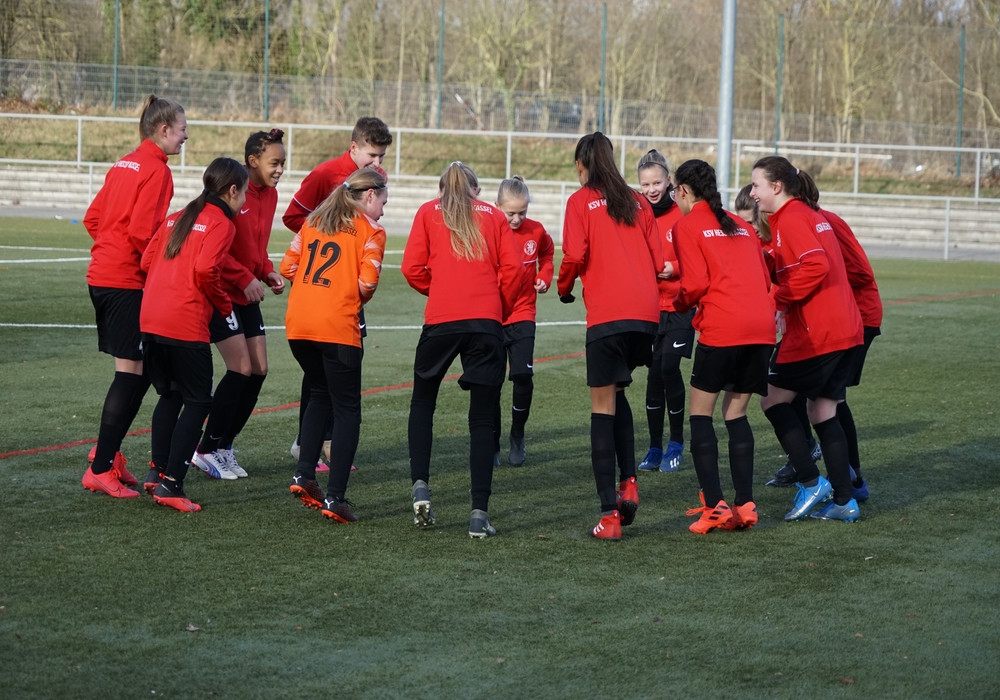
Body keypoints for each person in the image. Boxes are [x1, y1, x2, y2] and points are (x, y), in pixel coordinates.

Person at [401, 162, 524, 538]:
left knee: (423, 402)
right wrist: (498, 307)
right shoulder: (493, 216)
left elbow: (411, 267)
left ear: (442, 189)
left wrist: (438, 290)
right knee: (482, 419)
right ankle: (478, 515)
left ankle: (420, 487)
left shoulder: (427, 212)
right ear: (476, 190)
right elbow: (515, 270)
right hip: (485, 322)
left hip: (441, 321)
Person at [556, 133, 662, 541]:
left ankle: (609, 516)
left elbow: (574, 255)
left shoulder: (580, 201)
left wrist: (564, 287)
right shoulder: (637, 200)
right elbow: (658, 260)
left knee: (601, 409)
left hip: (609, 314)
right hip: (646, 315)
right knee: (617, 391)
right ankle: (629, 482)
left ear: (581, 165)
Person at [81, 94, 188, 500]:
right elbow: (144, 234)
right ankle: (99, 468)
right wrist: (162, 268)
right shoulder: (157, 171)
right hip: (124, 281)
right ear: (164, 129)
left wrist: (111, 250)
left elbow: (93, 218)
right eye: (182, 129)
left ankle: (108, 454)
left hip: (103, 275)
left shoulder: (124, 162)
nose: (185, 137)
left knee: (140, 372)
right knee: (130, 373)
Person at [750, 155, 864, 522]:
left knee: (771, 399)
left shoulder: (793, 217)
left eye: (757, 185)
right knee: (822, 410)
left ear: (777, 186)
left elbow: (816, 265)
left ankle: (810, 481)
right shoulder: (806, 215)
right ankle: (844, 501)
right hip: (844, 328)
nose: (753, 193)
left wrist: (779, 298)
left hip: (821, 332)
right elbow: (797, 262)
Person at [670, 160, 775, 533]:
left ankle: (714, 505)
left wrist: (676, 302)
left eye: (675, 191)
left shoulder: (687, 225)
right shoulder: (741, 225)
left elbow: (695, 284)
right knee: (737, 415)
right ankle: (745, 504)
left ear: (684, 190)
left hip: (724, 327)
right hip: (761, 329)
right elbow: (765, 280)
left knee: (700, 415)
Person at [763, 171, 882, 501]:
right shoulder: (797, 221)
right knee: (819, 400)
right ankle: (840, 481)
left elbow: (857, 272)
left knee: (824, 400)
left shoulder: (818, 221)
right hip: (832, 320)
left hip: (850, 318)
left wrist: (832, 299)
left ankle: (841, 476)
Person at [283, 116, 393, 471]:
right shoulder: (325, 174)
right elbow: (294, 217)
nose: (378, 164)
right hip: (333, 295)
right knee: (329, 384)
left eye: (382, 157)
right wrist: (333, 244)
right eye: (372, 156)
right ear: (354, 147)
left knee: (327, 380)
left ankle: (318, 449)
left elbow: (289, 264)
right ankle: (316, 448)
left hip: (325, 300)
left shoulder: (373, 181)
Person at [139, 157, 249, 512]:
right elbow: (205, 269)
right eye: (244, 193)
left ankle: (157, 472)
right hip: (184, 321)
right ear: (232, 190)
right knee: (199, 401)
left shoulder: (178, 216)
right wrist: (224, 305)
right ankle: (172, 483)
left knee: (170, 395)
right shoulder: (221, 223)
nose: (244, 200)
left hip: (151, 318)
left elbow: (146, 262)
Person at [191, 129, 287, 480]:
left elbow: (255, 248)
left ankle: (224, 445)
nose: (280, 170)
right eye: (274, 163)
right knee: (241, 369)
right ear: (253, 161)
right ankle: (205, 448)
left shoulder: (271, 195)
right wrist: (244, 277)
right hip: (222, 292)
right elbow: (216, 249)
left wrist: (266, 271)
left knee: (259, 369)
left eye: (283, 163)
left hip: (246, 292)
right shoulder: (231, 193)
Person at [633, 149, 692, 474]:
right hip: (650, 308)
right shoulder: (637, 215)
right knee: (654, 373)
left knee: (669, 367)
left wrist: (674, 268)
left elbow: (697, 257)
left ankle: (677, 442)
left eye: (657, 182)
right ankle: (655, 447)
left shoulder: (682, 214)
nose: (652, 189)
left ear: (668, 181)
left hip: (681, 306)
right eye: (646, 184)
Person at [492, 175, 554, 467]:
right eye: (511, 213)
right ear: (497, 207)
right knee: (490, 382)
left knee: (522, 376)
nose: (517, 219)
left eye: (522, 212)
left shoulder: (536, 231)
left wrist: (544, 276)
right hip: (492, 316)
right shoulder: (489, 230)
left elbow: (548, 253)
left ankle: (517, 434)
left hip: (523, 313)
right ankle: (491, 440)